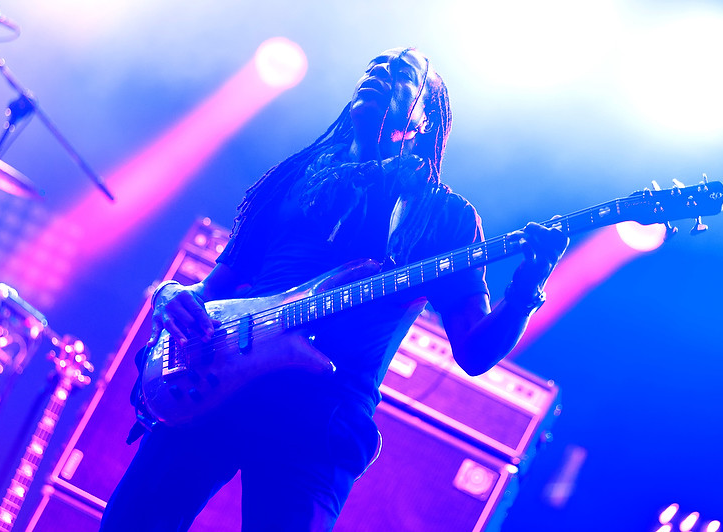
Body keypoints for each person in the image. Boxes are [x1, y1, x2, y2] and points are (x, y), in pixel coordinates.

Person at [100, 47, 569, 531]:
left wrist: (528, 284)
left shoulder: (443, 217)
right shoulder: (295, 178)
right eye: (374, 67)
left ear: (426, 118)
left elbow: (475, 351)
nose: (378, 73)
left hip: (319, 417)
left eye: (400, 73)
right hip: (217, 378)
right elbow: (215, 288)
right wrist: (171, 295)